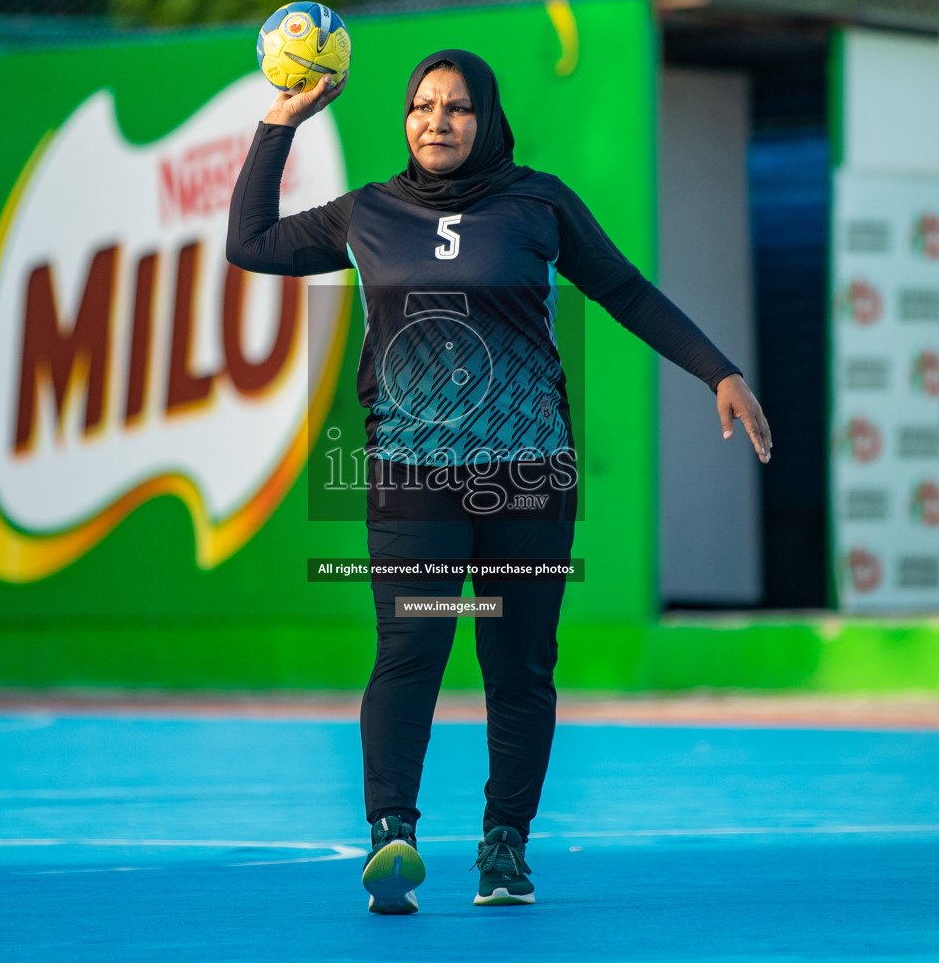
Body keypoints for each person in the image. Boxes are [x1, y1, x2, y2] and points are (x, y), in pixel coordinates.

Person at [227, 49, 770, 913]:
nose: (436, 121)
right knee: (412, 650)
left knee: (518, 665)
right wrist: (281, 122)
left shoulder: (539, 202)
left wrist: (719, 372)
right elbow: (249, 244)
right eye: (421, 106)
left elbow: (625, 290)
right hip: (413, 476)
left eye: (457, 107)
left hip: (529, 477)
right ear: (403, 122)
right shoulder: (368, 212)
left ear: (488, 119)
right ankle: (392, 838)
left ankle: (505, 848)